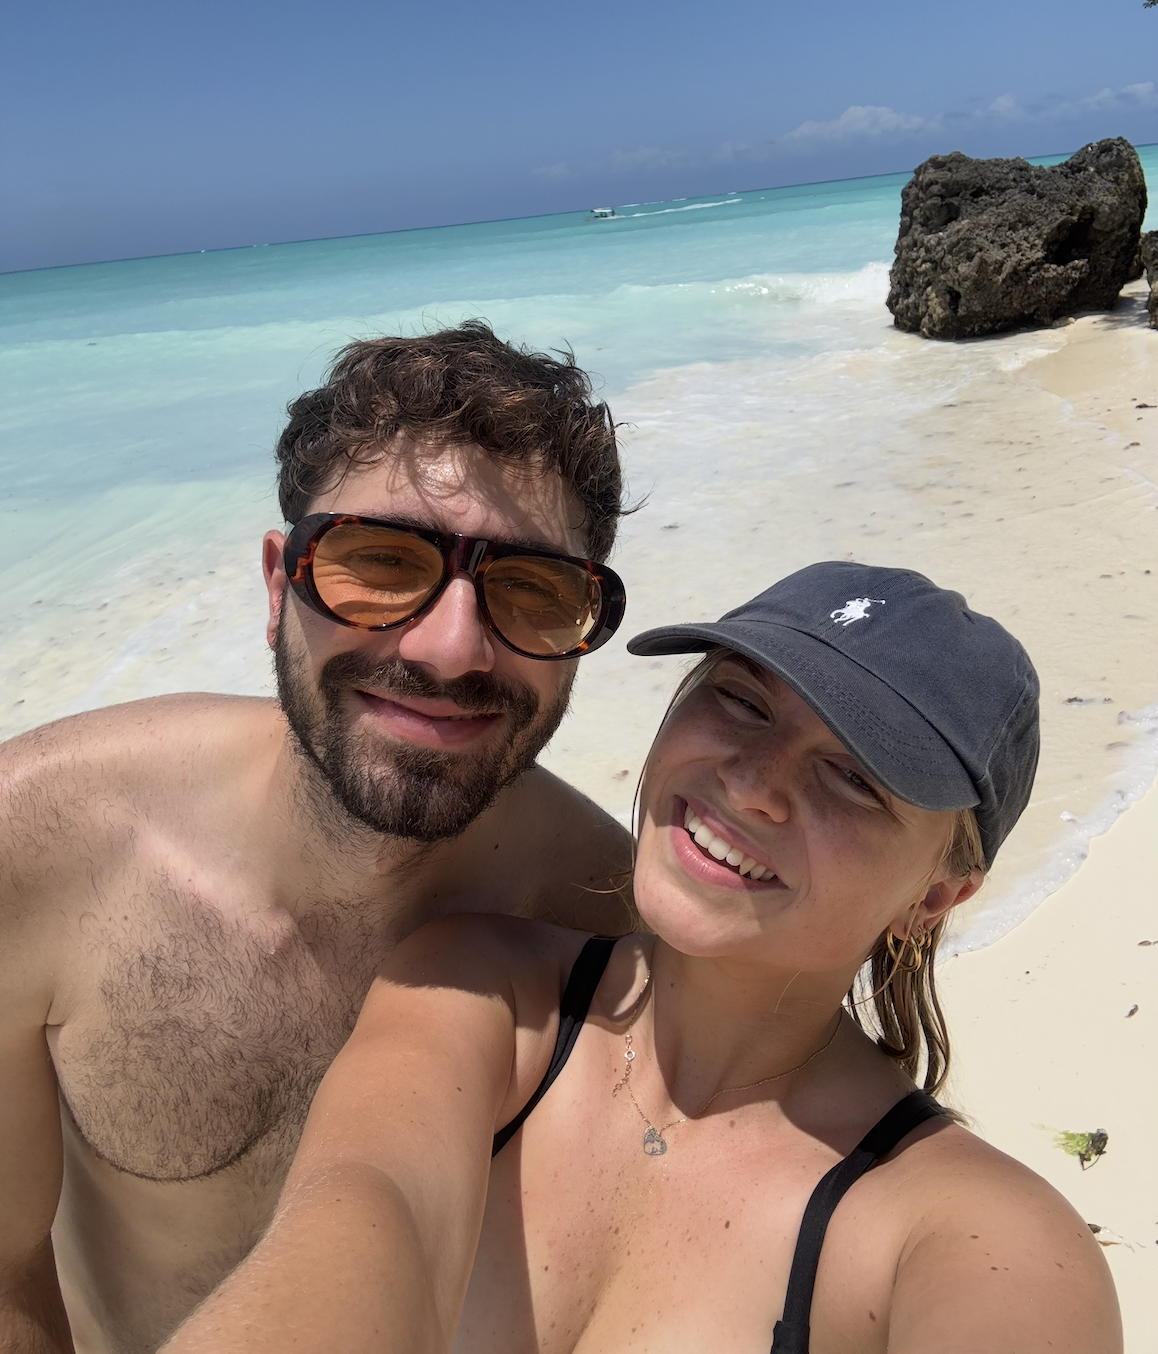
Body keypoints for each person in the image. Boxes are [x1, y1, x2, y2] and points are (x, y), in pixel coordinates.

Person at [162, 561, 1120, 1354]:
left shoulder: (972, 1236)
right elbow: (365, 1215)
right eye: (742, 704)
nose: (752, 785)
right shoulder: (483, 991)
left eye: (852, 778)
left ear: (935, 897)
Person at [0, 323, 637, 1354]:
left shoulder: (615, 934)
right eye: (379, 563)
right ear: (275, 582)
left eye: (531, 591)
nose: (450, 648)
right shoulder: (39, 841)